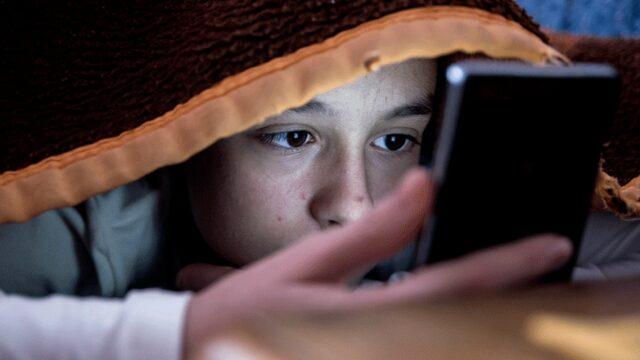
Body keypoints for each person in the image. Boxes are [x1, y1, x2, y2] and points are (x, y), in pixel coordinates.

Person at [1, 2, 639, 360]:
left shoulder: (428, 200)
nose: (355, 208)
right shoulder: (54, 225)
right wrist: (181, 332)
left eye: (394, 140)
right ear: (191, 135)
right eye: (292, 137)